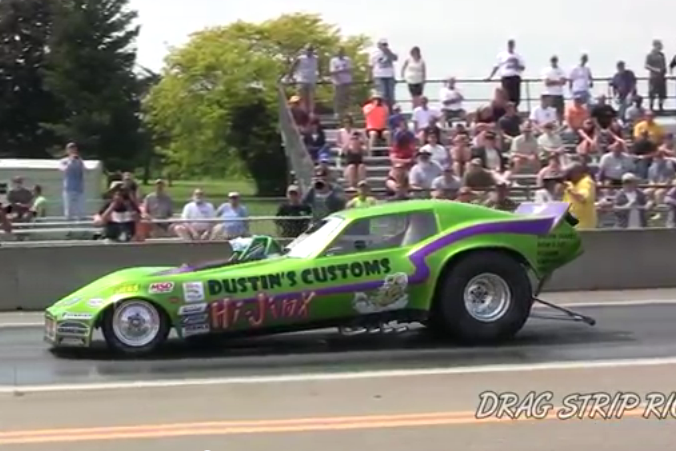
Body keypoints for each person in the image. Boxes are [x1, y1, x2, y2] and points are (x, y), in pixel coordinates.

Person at [563, 163, 597, 229]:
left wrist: (570, 191)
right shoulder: (571, 183)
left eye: (570, 173)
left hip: (584, 224)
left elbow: (582, 199)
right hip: (571, 222)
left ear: (577, 173)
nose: (568, 176)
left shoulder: (587, 182)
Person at [59, 142, 85, 220]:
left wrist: (79, 162)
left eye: (74, 148)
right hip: (68, 188)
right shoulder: (63, 161)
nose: (73, 150)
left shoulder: (79, 160)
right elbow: (63, 169)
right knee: (68, 212)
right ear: (67, 150)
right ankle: (68, 230)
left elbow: (85, 171)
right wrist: (71, 161)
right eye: (70, 149)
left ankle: (81, 230)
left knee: (80, 212)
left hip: (79, 189)